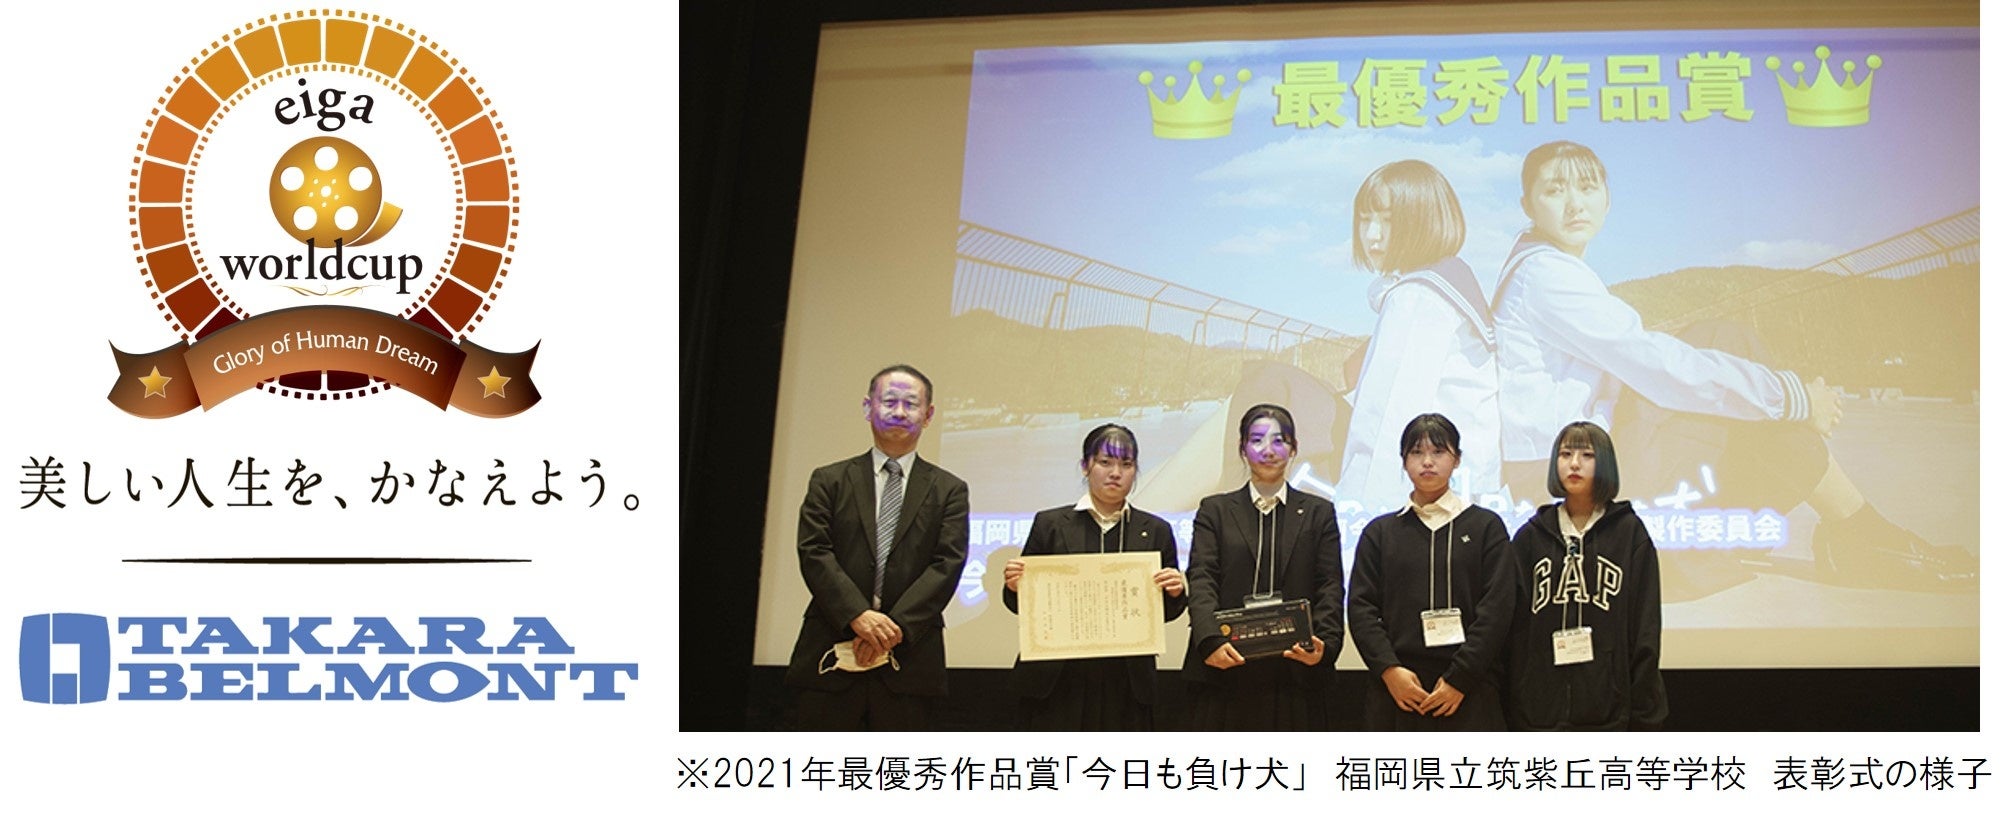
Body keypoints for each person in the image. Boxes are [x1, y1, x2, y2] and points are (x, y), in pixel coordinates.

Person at [1492, 140, 1973, 589]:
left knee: (1725, 360)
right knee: (1728, 350)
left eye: (1587, 187)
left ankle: (1852, 528)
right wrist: (1792, 398)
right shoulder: (1547, 277)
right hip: (1567, 487)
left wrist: (1778, 398)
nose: (1575, 204)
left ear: (1607, 199)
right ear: (1528, 205)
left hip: (1570, 471)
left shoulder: (1545, 267)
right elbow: (1652, 363)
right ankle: (1858, 530)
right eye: (1555, 191)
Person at [785, 364, 971, 730]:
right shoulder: (829, 480)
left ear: (928, 415)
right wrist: (858, 615)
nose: (899, 412)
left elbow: (947, 564)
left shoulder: (949, 489)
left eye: (911, 404)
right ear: (867, 407)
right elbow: (814, 551)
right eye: (889, 402)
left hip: (910, 659)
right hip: (832, 650)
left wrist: (891, 629)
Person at [1335, 160, 1502, 511]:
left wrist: (1361, 519)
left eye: (1388, 220)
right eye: (1365, 219)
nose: (1372, 234)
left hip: (1425, 499)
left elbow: (1385, 422)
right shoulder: (1448, 281)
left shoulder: (1416, 297)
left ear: (1423, 220)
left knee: (1273, 386)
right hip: (1462, 487)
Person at [1001, 424, 1186, 729]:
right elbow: (1021, 606)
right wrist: (1014, 586)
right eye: (1105, 462)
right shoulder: (1050, 524)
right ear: (1085, 466)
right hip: (1056, 680)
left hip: (1127, 681)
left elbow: (1165, 613)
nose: (1116, 473)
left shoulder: (1155, 530)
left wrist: (1175, 592)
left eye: (1126, 464)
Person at [1347, 413, 1513, 730]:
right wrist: (1389, 671)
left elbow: (1497, 608)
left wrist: (1461, 678)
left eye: (1438, 452)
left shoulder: (1485, 527)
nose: (1427, 462)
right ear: (1403, 460)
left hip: (1469, 689)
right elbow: (1361, 608)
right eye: (1416, 452)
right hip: (1398, 689)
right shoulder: (1380, 533)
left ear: (1457, 459)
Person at [1183, 404, 1344, 729]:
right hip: (1227, 667)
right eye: (1256, 440)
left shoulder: (1318, 512)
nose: (1268, 450)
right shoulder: (1215, 510)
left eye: (1279, 440)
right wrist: (1211, 640)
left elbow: (1329, 585)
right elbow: (1202, 580)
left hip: (1295, 670)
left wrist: (1325, 645)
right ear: (1242, 448)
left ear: (1294, 448)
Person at [1504, 422, 1665, 730]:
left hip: (1609, 710)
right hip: (1539, 711)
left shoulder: (1629, 533)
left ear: (1605, 463)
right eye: (1565, 454)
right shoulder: (1530, 537)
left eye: (1587, 455)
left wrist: (1642, 709)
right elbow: (1511, 626)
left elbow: (1645, 625)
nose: (1574, 464)